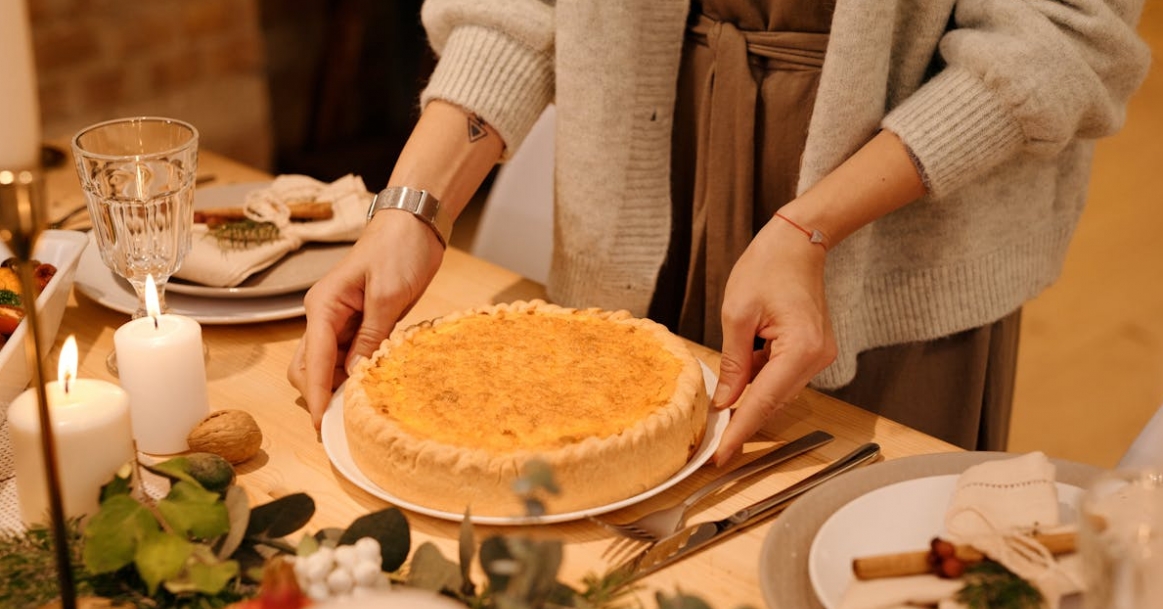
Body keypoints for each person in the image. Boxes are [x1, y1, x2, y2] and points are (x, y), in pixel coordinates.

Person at [288, 0, 1150, 465]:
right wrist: (411, 211)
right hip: (650, 157)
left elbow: (1064, 33)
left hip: (902, 216)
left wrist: (811, 229)